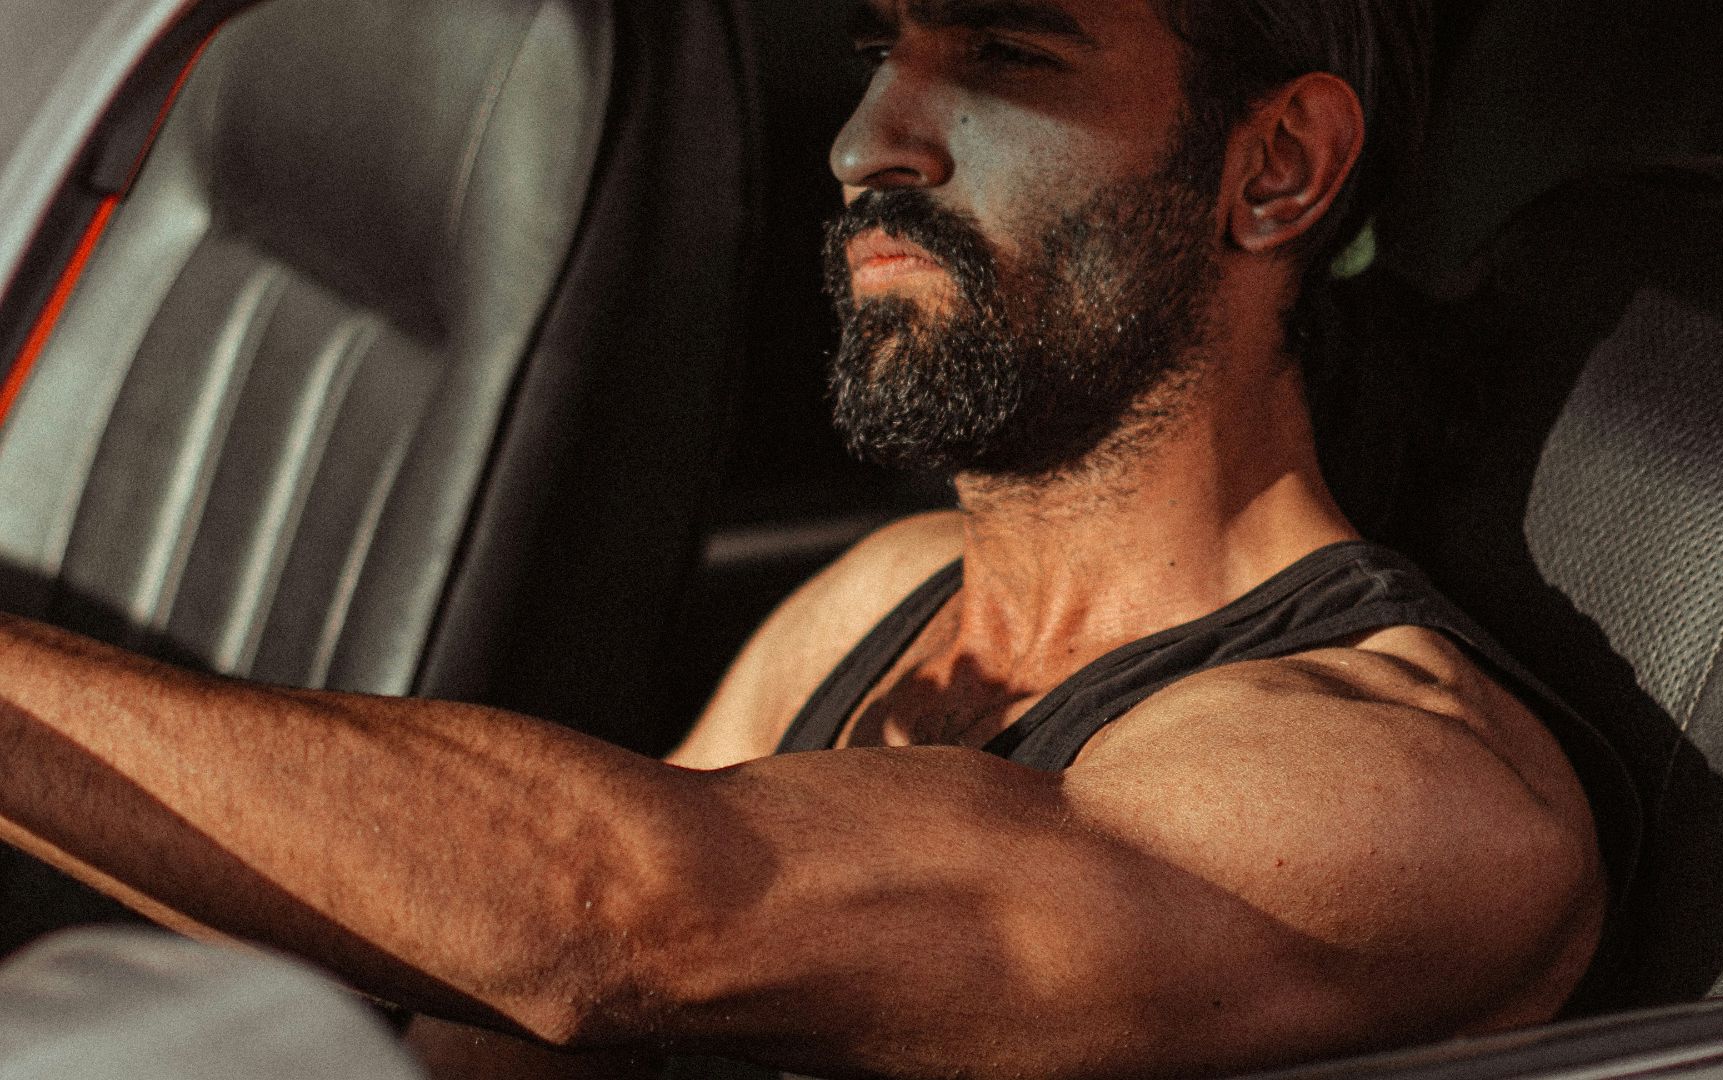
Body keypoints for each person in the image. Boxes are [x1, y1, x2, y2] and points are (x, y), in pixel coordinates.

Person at [0, 0, 1627, 1076]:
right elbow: (505, 1033)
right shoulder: (887, 594)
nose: (867, 144)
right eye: (879, 49)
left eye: (1005, 54)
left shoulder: (1409, 796)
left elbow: (625, 926)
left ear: (1276, 169)